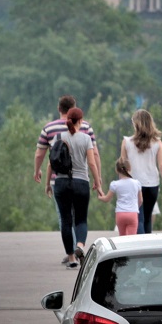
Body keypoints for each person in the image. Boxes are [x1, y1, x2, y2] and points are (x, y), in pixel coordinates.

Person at [52, 107, 102, 267]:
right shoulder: (86, 139)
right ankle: (80, 245)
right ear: (81, 120)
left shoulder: (58, 137)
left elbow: (50, 162)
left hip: (61, 183)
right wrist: (98, 182)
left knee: (66, 220)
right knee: (80, 219)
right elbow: (92, 162)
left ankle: (72, 259)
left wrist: (47, 183)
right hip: (81, 183)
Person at [121, 108, 162, 234]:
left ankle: (139, 247)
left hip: (134, 185)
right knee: (147, 218)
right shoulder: (157, 143)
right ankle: (147, 247)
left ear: (135, 124)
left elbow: (123, 166)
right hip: (152, 185)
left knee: (139, 218)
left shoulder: (126, 142)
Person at [97, 159, 142, 236]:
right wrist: (135, 207)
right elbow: (140, 200)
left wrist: (100, 196)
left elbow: (107, 199)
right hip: (132, 213)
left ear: (117, 170)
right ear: (129, 169)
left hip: (120, 214)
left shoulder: (115, 184)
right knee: (132, 239)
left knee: (122, 238)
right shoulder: (136, 183)